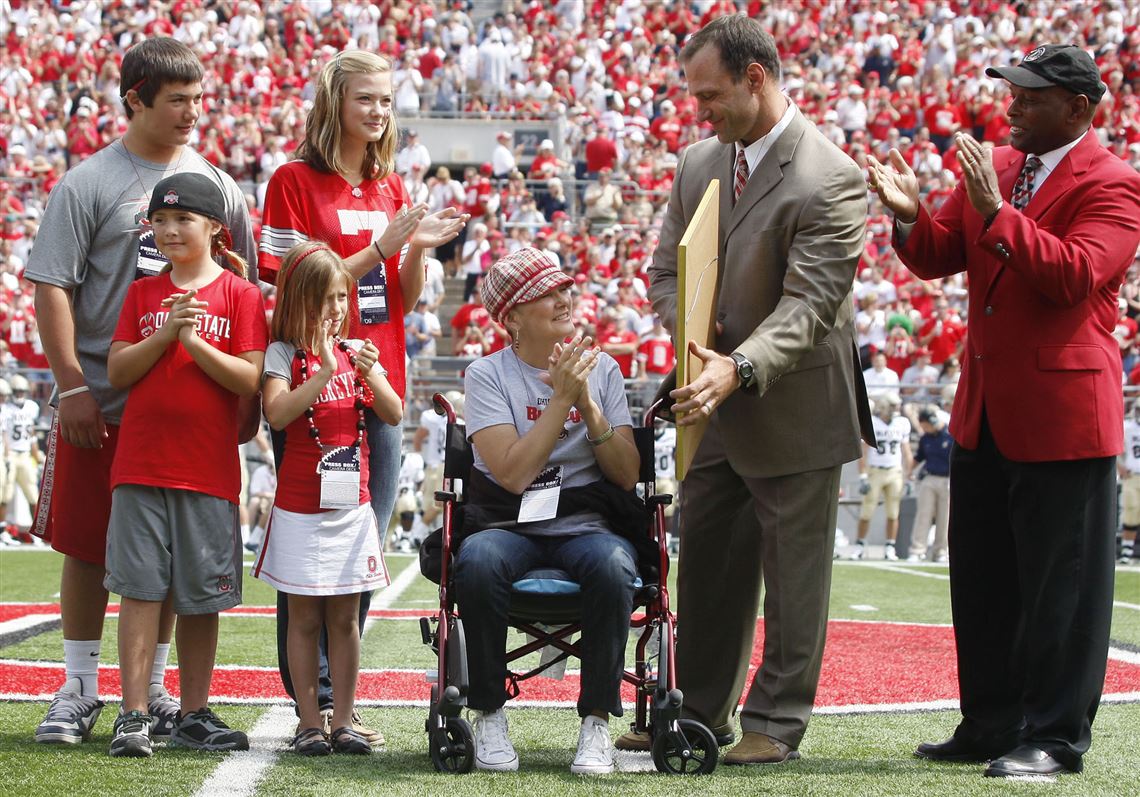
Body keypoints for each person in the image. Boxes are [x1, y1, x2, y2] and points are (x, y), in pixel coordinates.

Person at [867, 43, 1140, 778]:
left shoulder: (1115, 183)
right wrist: (907, 214)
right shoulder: (1003, 167)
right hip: (985, 410)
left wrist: (994, 211)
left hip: (1063, 415)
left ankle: (1054, 736)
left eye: (1029, 95)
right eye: (1011, 92)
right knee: (983, 578)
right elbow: (939, 252)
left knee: (1063, 589)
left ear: (1078, 108)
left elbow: (1075, 275)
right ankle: (990, 721)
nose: (1011, 105)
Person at [636, 16, 873, 764]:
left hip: (793, 408)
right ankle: (699, 708)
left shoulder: (831, 176)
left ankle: (777, 720)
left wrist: (731, 367)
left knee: (793, 577)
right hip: (712, 407)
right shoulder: (698, 162)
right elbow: (666, 273)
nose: (699, 110)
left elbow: (810, 307)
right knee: (706, 564)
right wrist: (693, 343)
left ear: (756, 78)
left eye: (710, 95)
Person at [26, 37, 257, 747]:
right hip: (104, 396)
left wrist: (243, 402)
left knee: (177, 563)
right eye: (178, 100)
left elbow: (242, 275)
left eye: (198, 98)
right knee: (89, 548)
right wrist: (72, 386)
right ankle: (75, 686)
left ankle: (155, 691)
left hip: (191, 415)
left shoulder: (219, 182)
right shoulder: (89, 181)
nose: (193, 112)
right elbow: (53, 286)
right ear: (136, 99)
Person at [258, 49, 467, 744]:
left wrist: (416, 248)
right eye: (365, 100)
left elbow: (395, 300)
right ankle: (310, 706)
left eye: (385, 101)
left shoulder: (389, 185)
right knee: (304, 560)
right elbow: (295, 291)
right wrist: (380, 248)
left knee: (359, 553)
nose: (378, 113)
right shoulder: (293, 180)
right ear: (334, 102)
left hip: (377, 384)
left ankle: (338, 707)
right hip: (314, 393)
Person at [454, 247, 641, 774]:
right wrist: (560, 401)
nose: (564, 299)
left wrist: (587, 401)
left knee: (612, 565)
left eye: (565, 288)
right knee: (478, 560)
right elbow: (511, 474)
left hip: (586, 522)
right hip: (509, 520)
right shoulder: (486, 375)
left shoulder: (602, 369)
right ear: (511, 317)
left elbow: (626, 474)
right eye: (546, 293)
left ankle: (598, 723)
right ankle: (488, 712)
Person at [103, 172, 266, 757]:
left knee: (203, 595)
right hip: (141, 464)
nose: (170, 231)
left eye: (183, 220)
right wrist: (166, 334)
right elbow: (118, 371)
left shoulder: (240, 295)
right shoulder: (145, 294)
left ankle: (194, 710)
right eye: (161, 221)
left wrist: (194, 344)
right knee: (140, 591)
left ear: (215, 228)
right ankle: (133, 712)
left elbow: (250, 378)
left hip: (207, 469)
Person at [254, 242, 402, 756]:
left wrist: (366, 371)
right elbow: (276, 414)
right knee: (304, 619)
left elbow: (395, 411)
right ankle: (308, 720)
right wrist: (319, 371)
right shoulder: (282, 355)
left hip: (350, 507)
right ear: (297, 301)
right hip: (298, 509)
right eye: (325, 298)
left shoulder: (355, 349)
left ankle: (343, 718)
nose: (336, 309)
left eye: (342, 296)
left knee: (344, 618)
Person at [852, 395, 913, 561]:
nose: (897, 409)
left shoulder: (902, 423)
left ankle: (889, 547)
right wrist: (863, 476)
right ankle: (860, 544)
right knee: (867, 511)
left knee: (893, 513)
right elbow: (864, 451)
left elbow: (906, 451)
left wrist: (909, 476)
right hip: (875, 472)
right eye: (893, 406)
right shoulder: (872, 422)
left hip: (895, 472)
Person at [907, 407, 952, 563]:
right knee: (923, 515)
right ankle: (917, 549)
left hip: (947, 479)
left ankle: (941, 551)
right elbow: (919, 456)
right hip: (930, 478)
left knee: (944, 518)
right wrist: (909, 471)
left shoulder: (949, 435)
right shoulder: (926, 438)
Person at [1119, 401, 1140, 564]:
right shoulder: (1127, 427)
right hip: (1132, 475)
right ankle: (1126, 550)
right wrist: (1120, 466)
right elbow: (1117, 447)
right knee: (1131, 510)